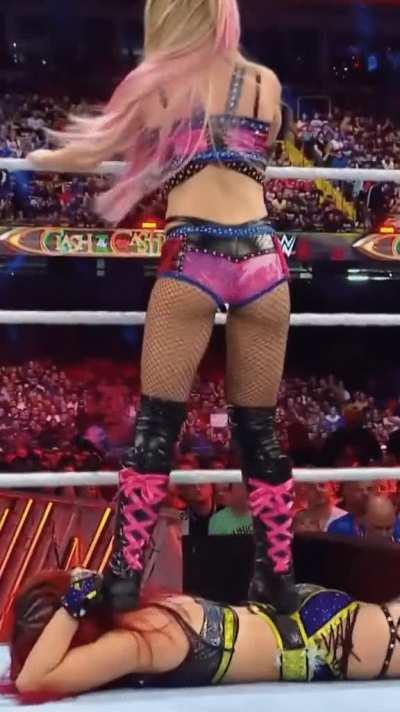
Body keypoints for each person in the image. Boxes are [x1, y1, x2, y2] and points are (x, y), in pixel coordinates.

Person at [28, 0, 295, 613]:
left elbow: (84, 156)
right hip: (263, 258)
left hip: (194, 253)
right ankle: (277, 577)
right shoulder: (266, 83)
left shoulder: (156, 84)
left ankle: (126, 574)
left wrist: (41, 158)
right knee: (259, 430)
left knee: (156, 426)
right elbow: (261, 152)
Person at [6, 567, 400, 698]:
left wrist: (75, 605)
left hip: (318, 638)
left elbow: (33, 680)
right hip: (307, 627)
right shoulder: (140, 625)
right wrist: (77, 599)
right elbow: (35, 677)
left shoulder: (134, 641)